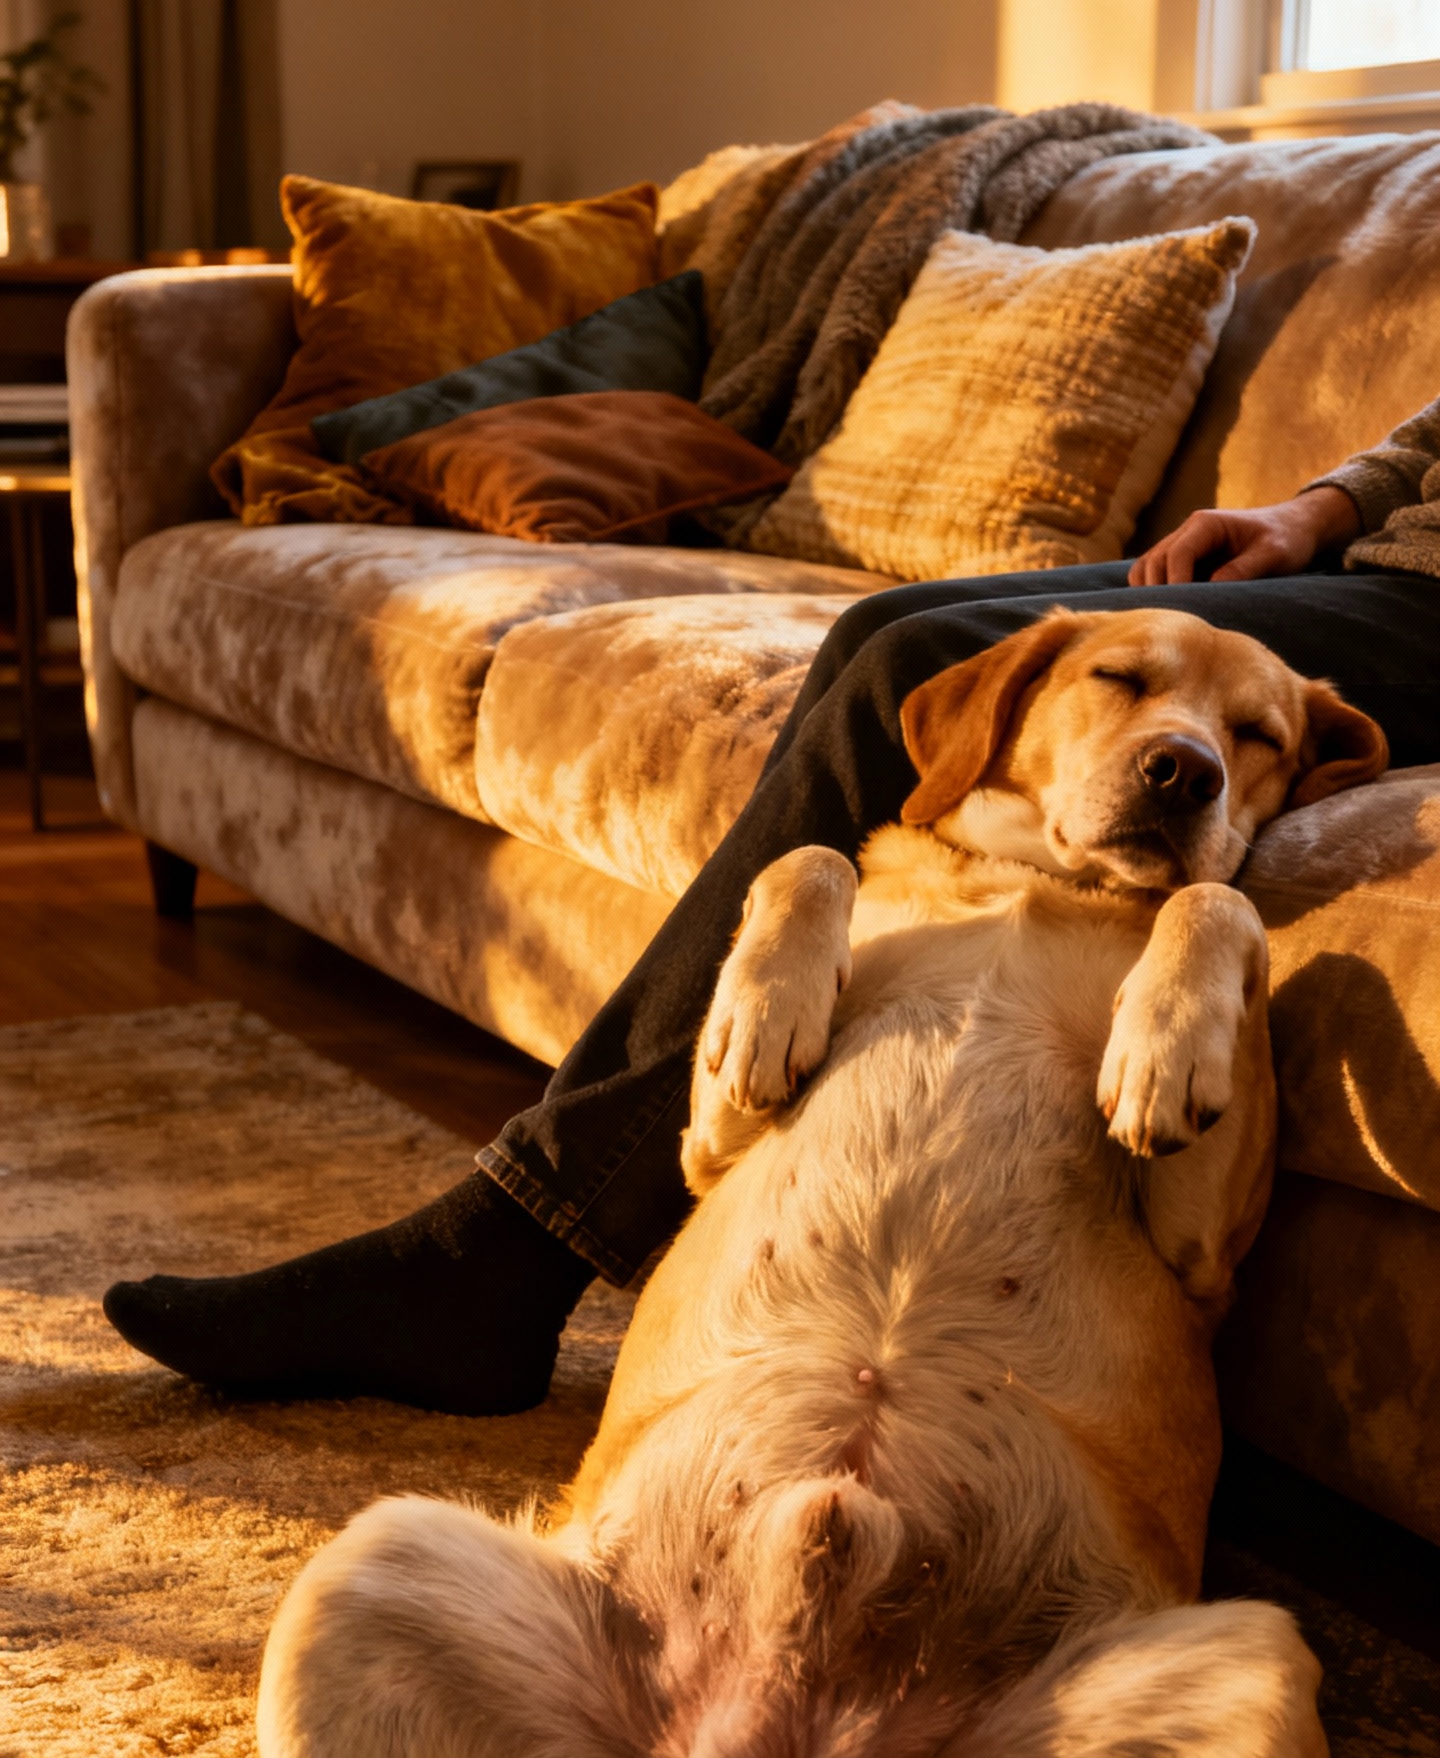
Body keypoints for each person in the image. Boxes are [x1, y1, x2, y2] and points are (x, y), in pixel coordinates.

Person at [104, 418, 1440, 1416]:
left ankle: (503, 1255)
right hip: (1390, 552)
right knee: (887, 638)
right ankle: (529, 1237)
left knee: (907, 655)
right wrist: (1324, 504)